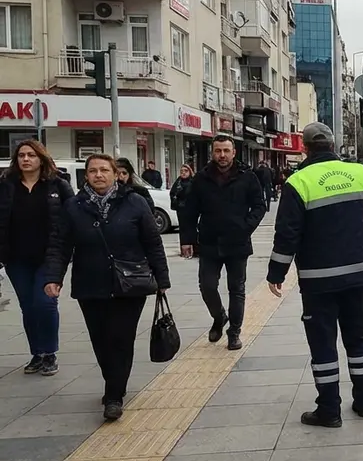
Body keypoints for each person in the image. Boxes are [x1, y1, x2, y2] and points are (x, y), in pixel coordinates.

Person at [267, 122, 363, 428]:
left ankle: (329, 409)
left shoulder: (298, 183)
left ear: (304, 146)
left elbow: (287, 234)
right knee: (358, 340)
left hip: (318, 281)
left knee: (323, 344)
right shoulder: (357, 173)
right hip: (356, 276)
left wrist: (277, 272)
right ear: (333, 145)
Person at [44, 153, 170, 421]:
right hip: (90, 283)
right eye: (92, 171)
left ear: (116, 174)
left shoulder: (134, 202)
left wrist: (162, 279)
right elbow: (60, 245)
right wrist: (53, 277)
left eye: (104, 170)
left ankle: (114, 395)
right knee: (100, 339)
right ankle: (114, 381)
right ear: (86, 176)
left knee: (120, 338)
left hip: (130, 283)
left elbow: (152, 243)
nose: (98, 175)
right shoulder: (74, 206)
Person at [179, 136, 265, 350]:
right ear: (213, 153)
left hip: (237, 243)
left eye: (226, 150)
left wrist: (246, 226)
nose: (222, 155)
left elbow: (259, 205)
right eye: (218, 151)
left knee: (237, 289)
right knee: (207, 286)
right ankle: (219, 317)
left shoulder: (247, 176)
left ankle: (234, 332)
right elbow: (189, 211)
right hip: (209, 242)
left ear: (234, 152)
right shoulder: (201, 178)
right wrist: (187, 239)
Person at [0, 140, 74, 376]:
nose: (26, 159)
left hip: (49, 257)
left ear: (41, 158)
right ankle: (37, 354)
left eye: (31, 155)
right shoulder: (6, 185)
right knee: (28, 307)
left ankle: (50, 352)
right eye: (21, 155)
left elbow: (72, 218)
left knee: (45, 304)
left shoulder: (58, 185)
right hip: (16, 258)